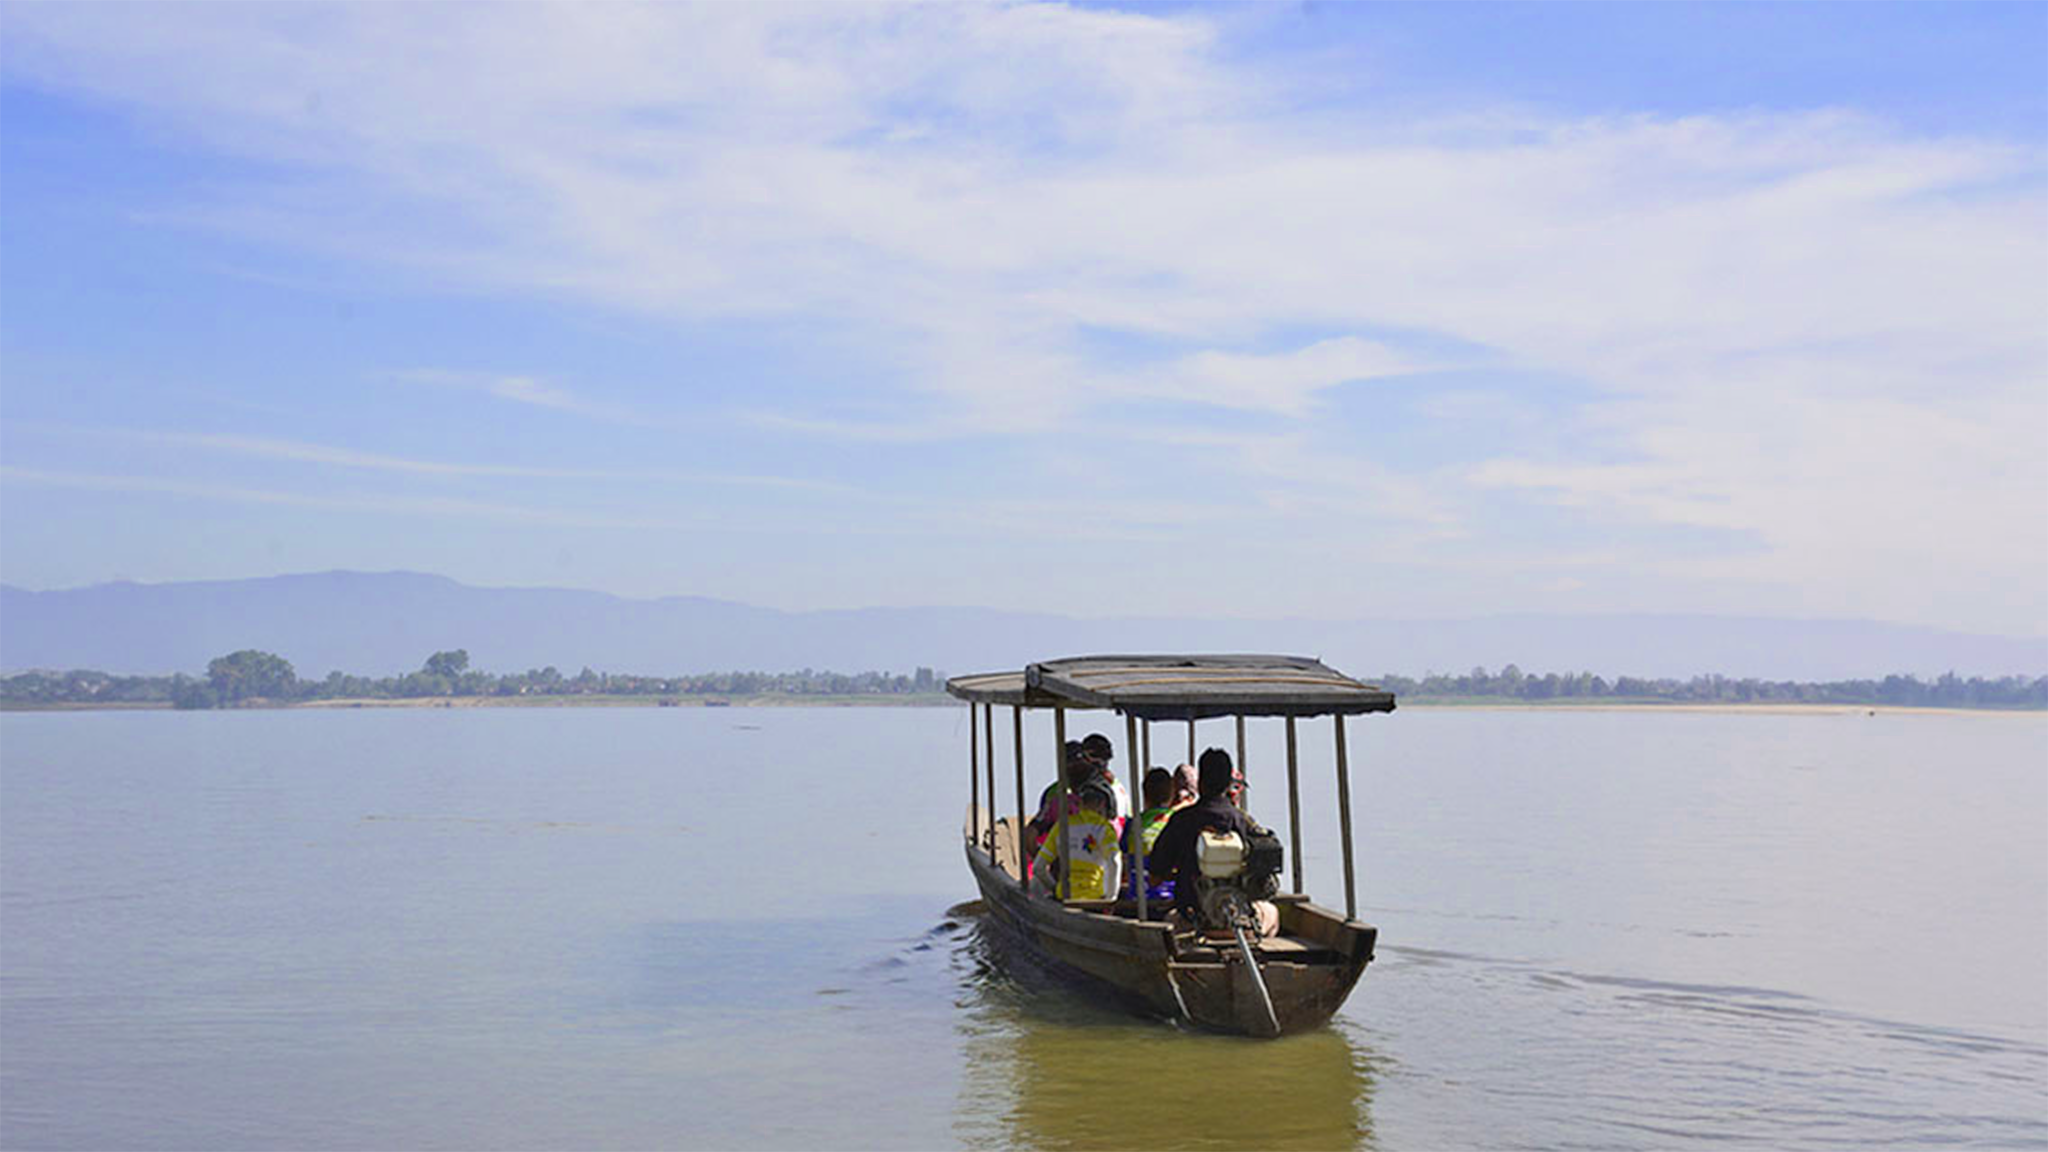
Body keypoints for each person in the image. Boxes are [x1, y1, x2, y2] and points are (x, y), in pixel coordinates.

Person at [1146, 748, 1278, 936]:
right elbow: (1263, 880)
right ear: (1228, 784)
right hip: (1240, 923)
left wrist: (1184, 875)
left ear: (1200, 783)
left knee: (1169, 921)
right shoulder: (1243, 821)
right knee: (1272, 913)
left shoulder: (1181, 820)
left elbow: (1154, 878)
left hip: (1190, 923)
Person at [1031, 779, 1122, 901]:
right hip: (1095, 899)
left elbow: (1038, 867)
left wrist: (1055, 888)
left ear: (1081, 804)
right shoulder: (1104, 828)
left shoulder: (1061, 827)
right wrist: (1111, 898)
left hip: (1064, 896)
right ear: (1102, 804)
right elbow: (1114, 862)